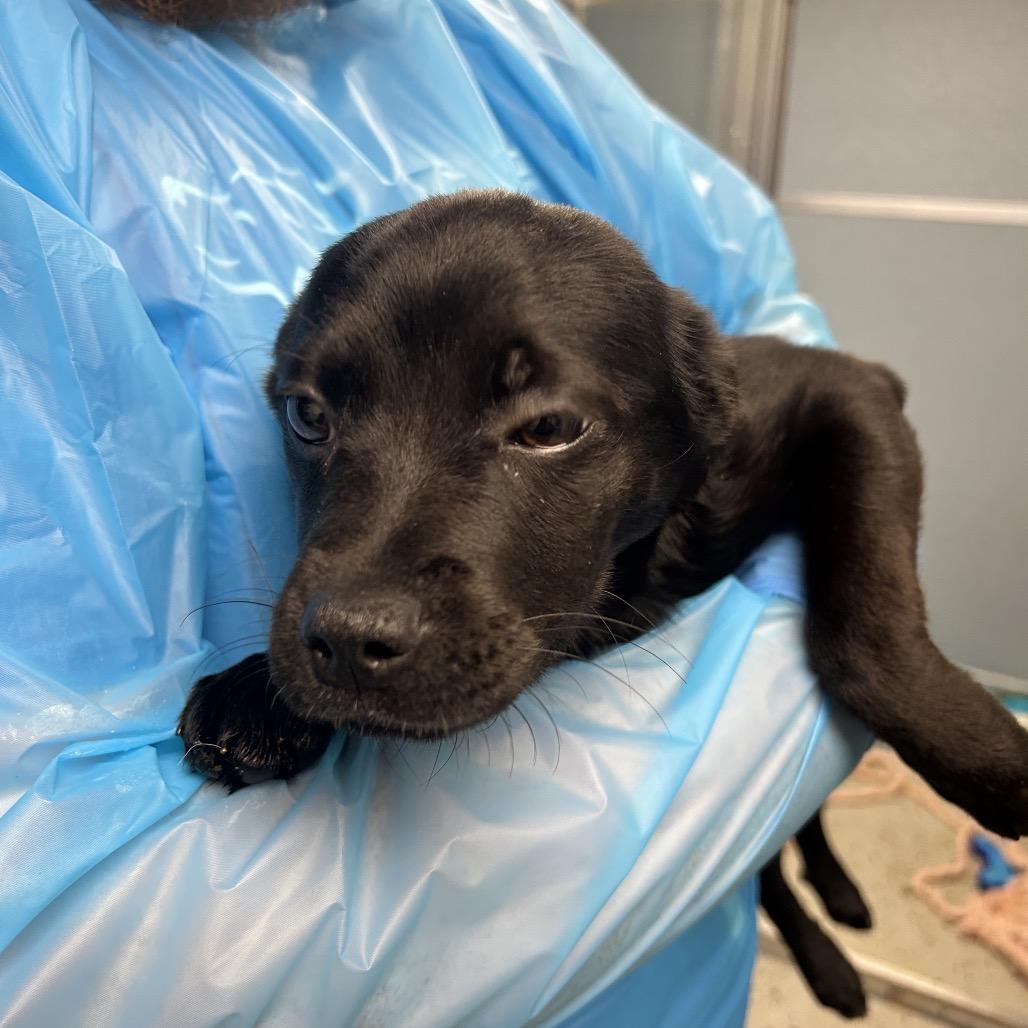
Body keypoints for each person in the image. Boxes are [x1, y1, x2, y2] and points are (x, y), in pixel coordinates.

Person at [0, 0, 865, 1023]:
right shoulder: (26, 105)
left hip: (683, 973)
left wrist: (827, 605)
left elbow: (761, 331)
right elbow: (77, 950)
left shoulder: (486, 29)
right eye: (313, 414)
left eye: (543, 425)